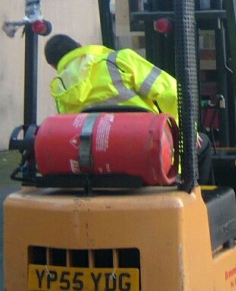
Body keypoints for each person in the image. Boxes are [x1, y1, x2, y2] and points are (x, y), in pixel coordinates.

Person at [44, 34, 213, 183]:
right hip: (150, 150)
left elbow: (72, 132)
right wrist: (185, 135)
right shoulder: (118, 60)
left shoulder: (60, 90)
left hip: (100, 163)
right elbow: (174, 93)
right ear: (80, 46)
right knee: (203, 145)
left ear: (54, 66)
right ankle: (195, 200)